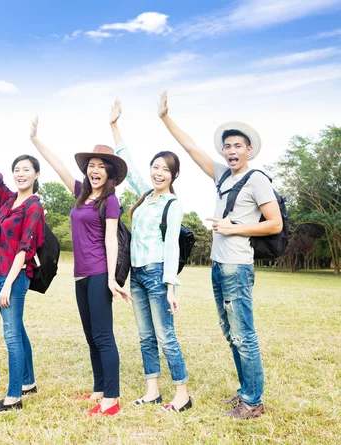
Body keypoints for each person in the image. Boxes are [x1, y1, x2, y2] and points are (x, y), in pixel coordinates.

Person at [158, 91, 283, 419]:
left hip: (238, 266)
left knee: (244, 334)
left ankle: (253, 402)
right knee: (231, 335)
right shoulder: (223, 175)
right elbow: (190, 147)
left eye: (237, 146)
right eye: (227, 146)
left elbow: (274, 224)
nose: (231, 151)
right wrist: (165, 118)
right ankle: (245, 393)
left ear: (249, 150)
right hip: (218, 265)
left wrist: (234, 227)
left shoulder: (257, 180)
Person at [30, 116, 131, 416]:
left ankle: (111, 400)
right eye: (92, 165)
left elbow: (111, 239)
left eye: (101, 166)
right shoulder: (80, 193)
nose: (95, 170)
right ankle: (99, 390)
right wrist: (36, 140)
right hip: (81, 276)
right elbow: (59, 165)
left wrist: (112, 278)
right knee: (90, 337)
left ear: (110, 172)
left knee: (103, 336)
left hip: (100, 273)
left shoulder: (110, 201)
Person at [109, 99, 192, 412]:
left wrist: (170, 285)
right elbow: (126, 165)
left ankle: (182, 395)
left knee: (166, 336)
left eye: (166, 170)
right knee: (145, 337)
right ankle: (152, 390)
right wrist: (115, 126)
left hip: (157, 274)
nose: (159, 173)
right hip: (138, 275)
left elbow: (171, 245)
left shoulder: (172, 205)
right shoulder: (145, 195)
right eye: (156, 167)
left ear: (174, 175)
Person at [0, 110, 45, 412]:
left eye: (27, 170)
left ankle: (13, 397)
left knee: (11, 334)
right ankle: (28, 382)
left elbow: (24, 249)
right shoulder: (7, 199)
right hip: (0, 274)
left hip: (14, 277)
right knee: (17, 328)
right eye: (17, 169)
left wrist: (8, 284)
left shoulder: (34, 207)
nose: (20, 173)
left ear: (36, 175)